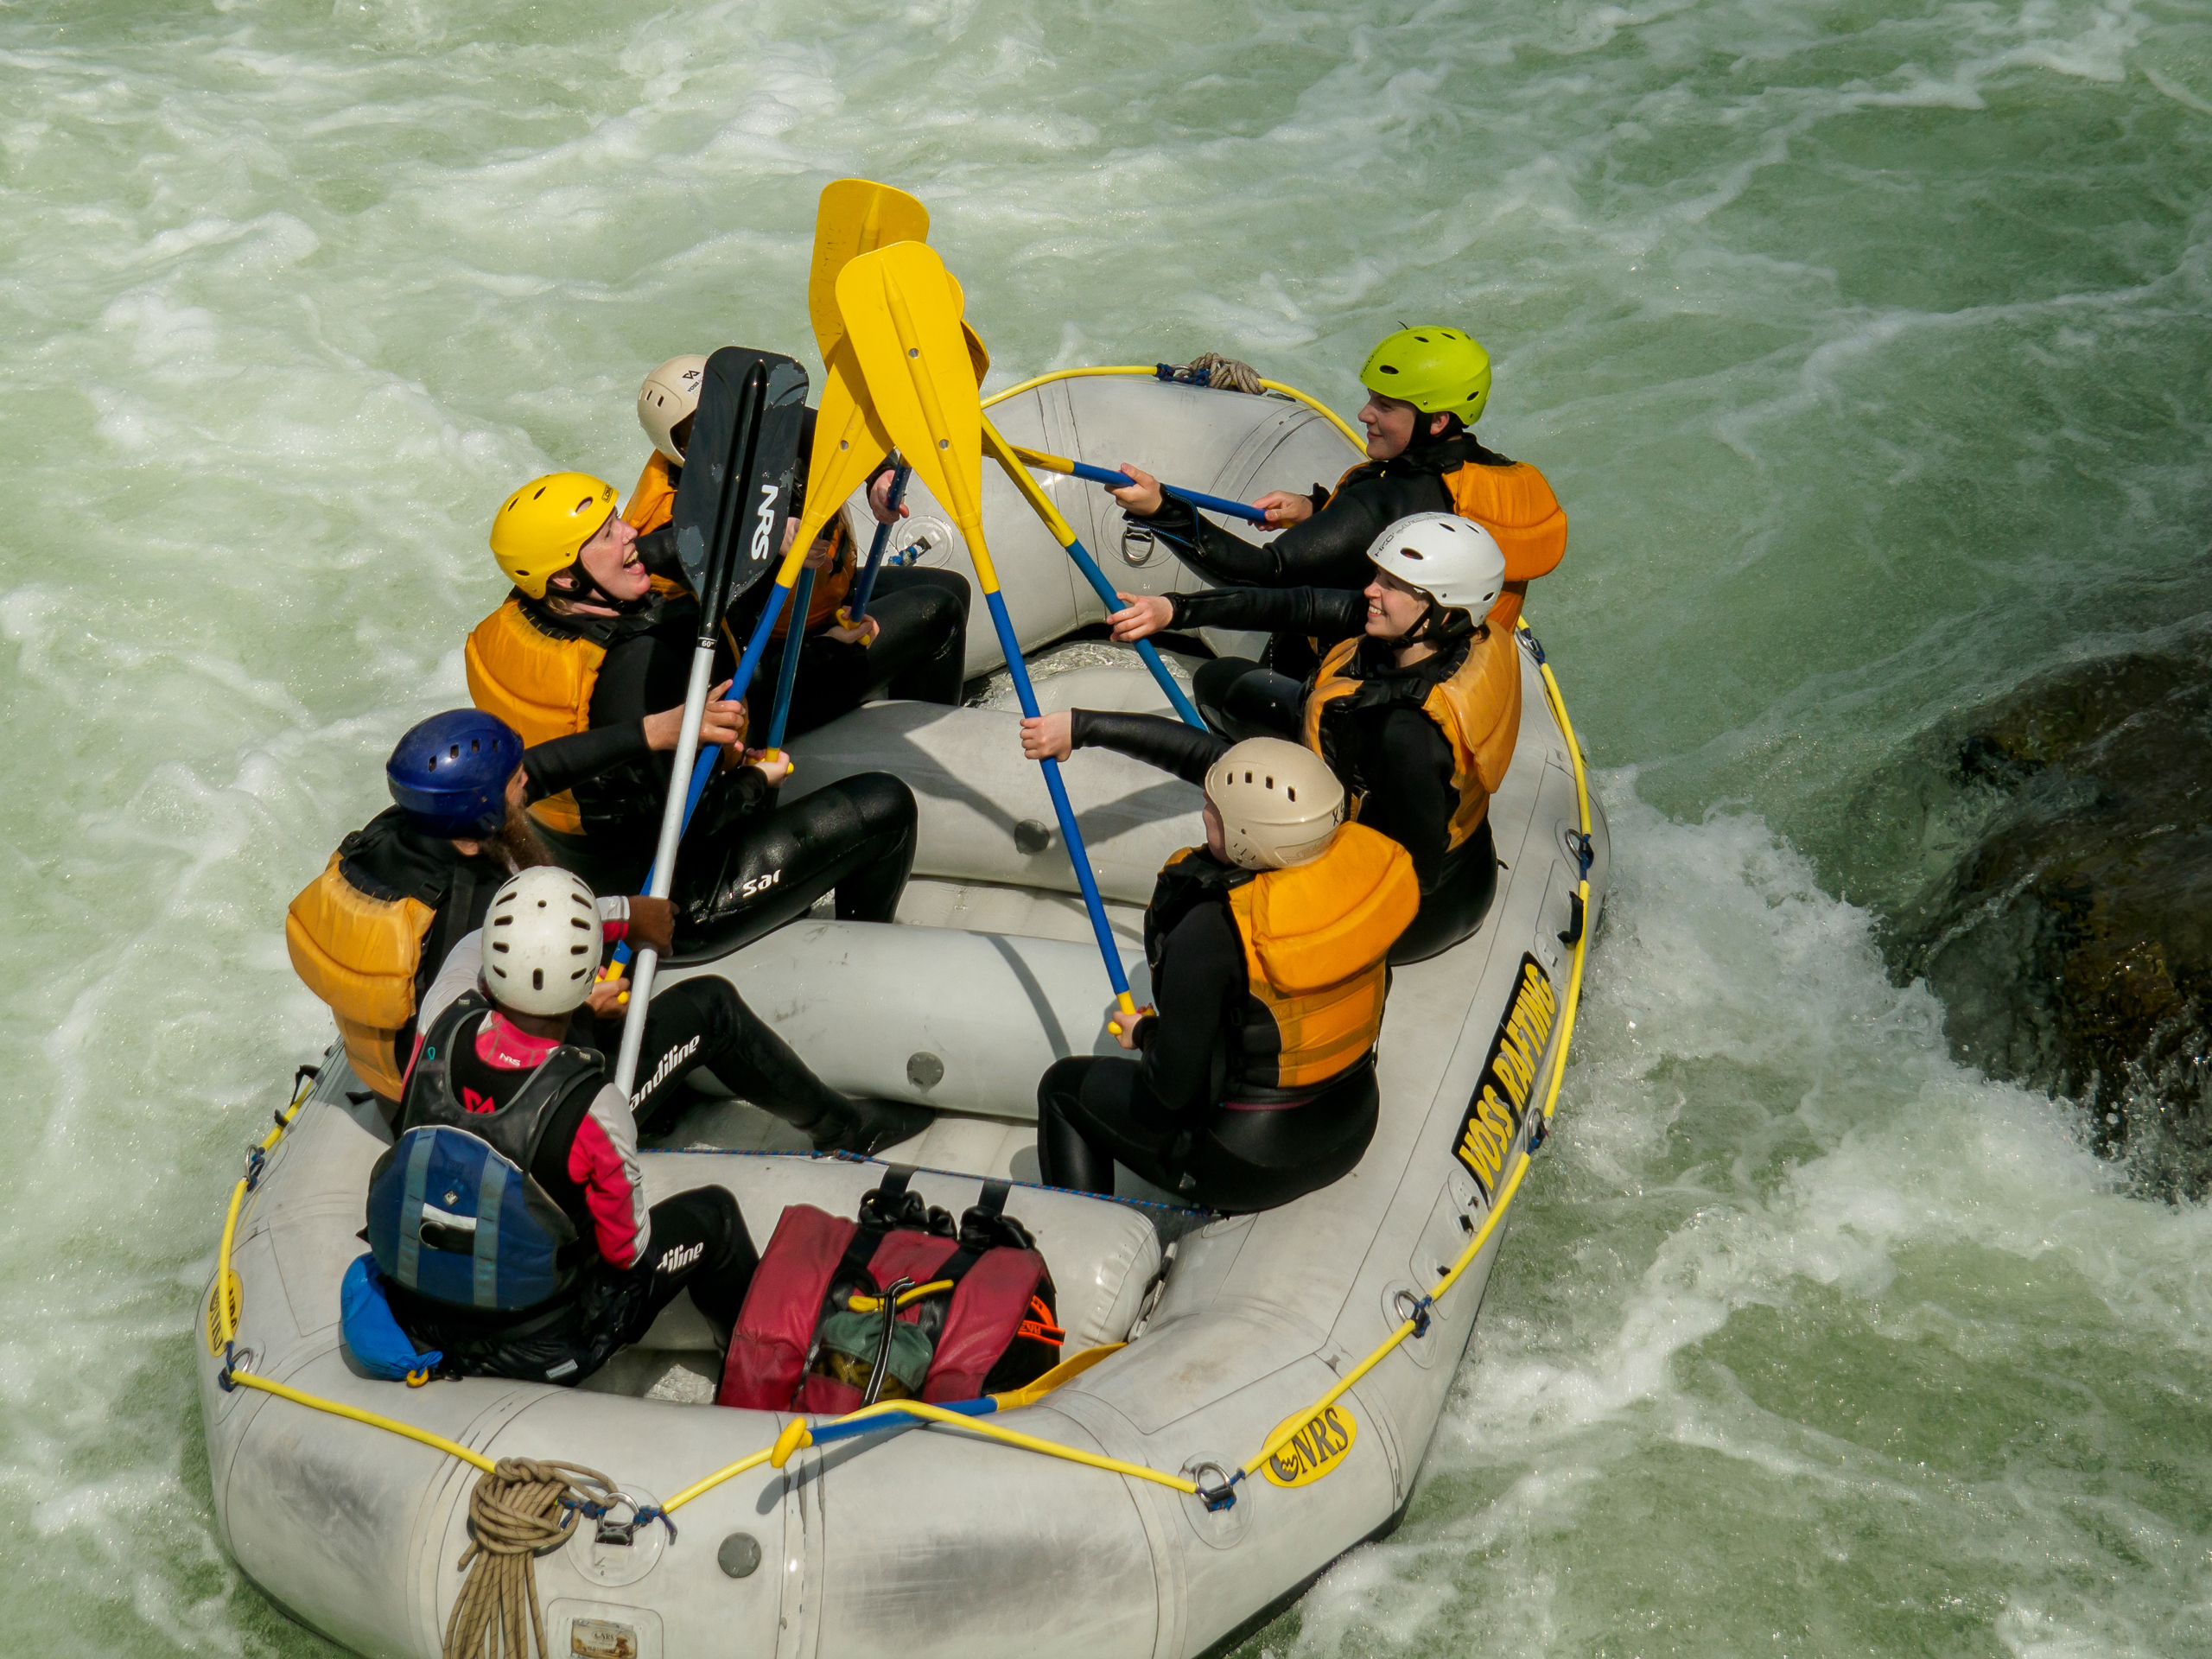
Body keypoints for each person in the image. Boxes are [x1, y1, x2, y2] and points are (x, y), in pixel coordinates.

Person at [289, 709, 910, 1151]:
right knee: (711, 1010)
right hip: (498, 1118)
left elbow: (542, 770)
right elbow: (482, 1052)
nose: (528, 781)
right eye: (514, 782)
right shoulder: (471, 908)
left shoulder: (402, 834)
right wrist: (582, 1010)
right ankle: (848, 1133)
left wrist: (656, 731)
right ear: (479, 816)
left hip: (400, 1085)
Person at [463, 471, 921, 960]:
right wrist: (755, 781)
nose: (630, 531)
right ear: (565, 577)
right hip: (677, 901)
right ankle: (861, 960)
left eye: (617, 519)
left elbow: (661, 550)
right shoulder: (638, 670)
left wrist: (772, 540)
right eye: (608, 533)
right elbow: (697, 818)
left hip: (589, 865)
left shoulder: (521, 618)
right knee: (886, 806)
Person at [1022, 514, 1518, 963]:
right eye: (1378, 576)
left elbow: (1415, 877)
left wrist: (1085, 727)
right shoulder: (1449, 638)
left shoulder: (1403, 735)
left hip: (1418, 913)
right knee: (1221, 685)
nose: (1371, 590)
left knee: (1196, 894)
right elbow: (1297, 605)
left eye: (1391, 584)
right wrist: (1176, 610)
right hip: (1463, 859)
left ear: (1443, 610)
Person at [365, 868, 756, 1386]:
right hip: (536, 1347)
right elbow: (626, 1251)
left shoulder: (440, 1017)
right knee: (716, 1216)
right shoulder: (598, 1107)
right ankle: (753, 1377)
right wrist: (597, 995)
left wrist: (620, 916)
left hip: (415, 1318)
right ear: (589, 979)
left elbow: (473, 943)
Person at [1035, 739, 1418, 1213]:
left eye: (1215, 808)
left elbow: (1172, 1091)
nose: (1204, 805)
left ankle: (1075, 1236)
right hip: (1354, 1124)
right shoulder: (1361, 875)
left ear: (1245, 836)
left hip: (1250, 1164)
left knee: (1061, 1088)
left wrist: (1148, 1033)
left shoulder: (1212, 929)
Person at [1105, 326, 1564, 679]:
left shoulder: (1389, 494)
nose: (1365, 414)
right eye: (1371, 399)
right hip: (1453, 667)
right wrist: (1317, 510)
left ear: (1438, 420)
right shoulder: (1501, 478)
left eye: (1386, 406)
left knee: (1221, 680)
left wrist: (1162, 511)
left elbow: (1262, 574)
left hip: (1362, 680)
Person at [623, 353, 972, 733]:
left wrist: (880, 475)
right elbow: (735, 667)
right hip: (772, 676)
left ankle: (901, 699)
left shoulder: (762, 426)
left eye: (732, 412)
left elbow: (834, 435)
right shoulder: (673, 519)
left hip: (817, 611)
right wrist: (825, 646)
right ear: (677, 450)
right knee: (941, 611)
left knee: (953, 587)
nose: (730, 433)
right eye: (701, 430)